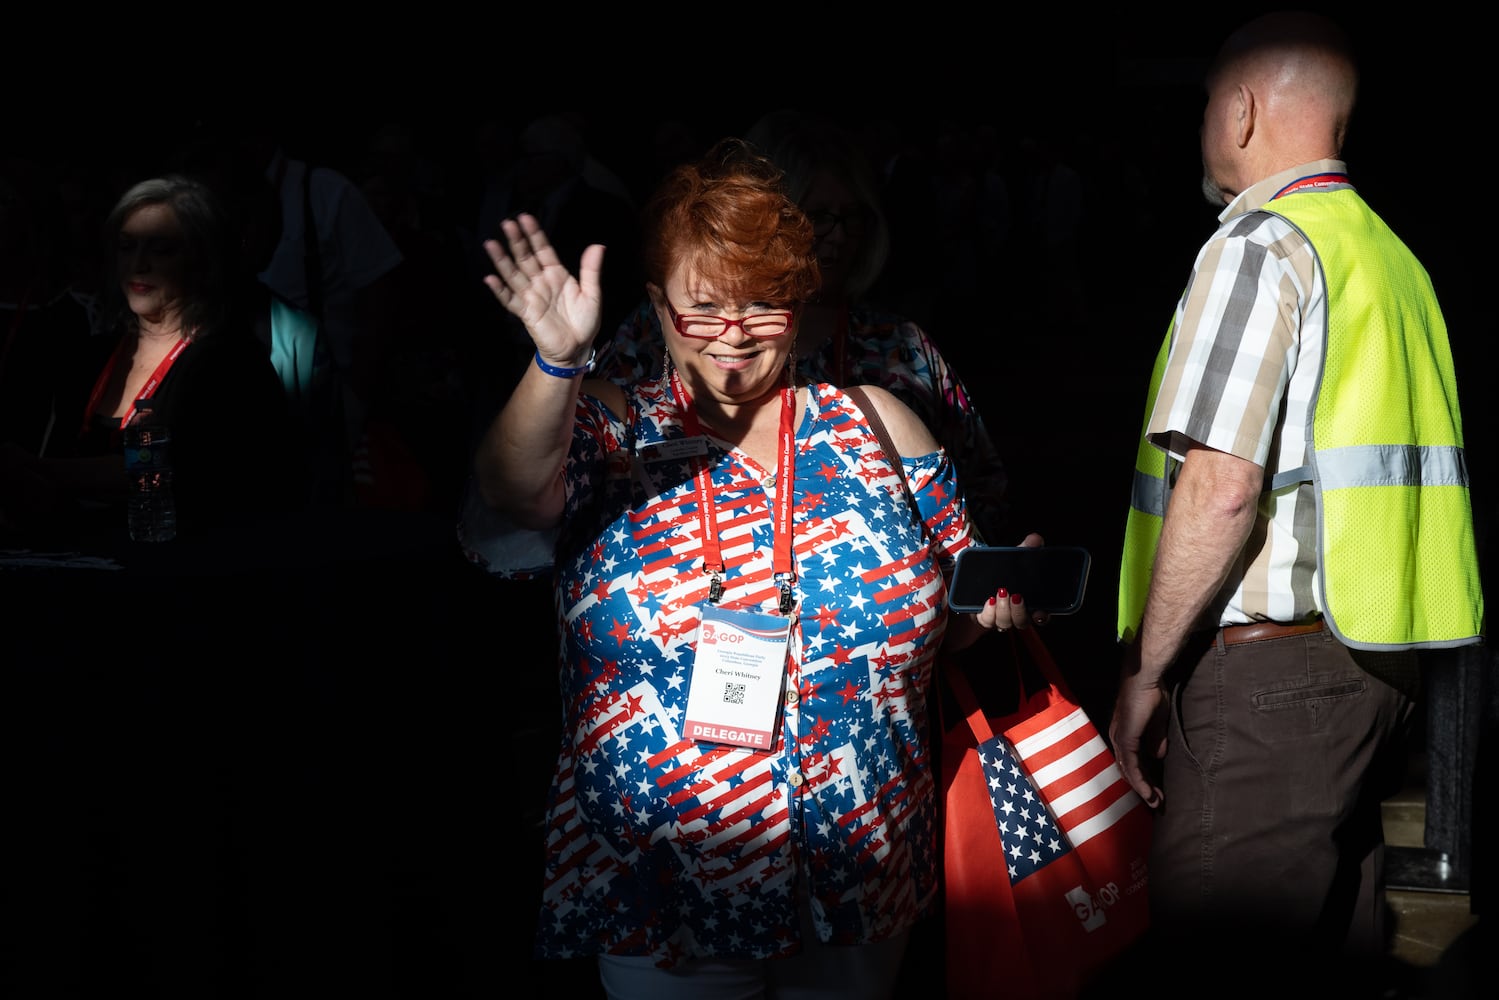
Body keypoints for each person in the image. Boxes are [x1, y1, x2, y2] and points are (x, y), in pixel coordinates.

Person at [468, 138, 1039, 998]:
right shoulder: (614, 427)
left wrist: (995, 604)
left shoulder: (877, 424)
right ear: (657, 309)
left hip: (858, 866)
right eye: (702, 309)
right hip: (664, 881)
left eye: (762, 308)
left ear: (799, 306)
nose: (731, 340)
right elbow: (511, 490)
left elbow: (955, 614)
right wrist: (557, 361)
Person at [1109, 11, 1485, 988]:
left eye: (1202, 106)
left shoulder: (1258, 246)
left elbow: (1221, 486)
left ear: (1236, 111)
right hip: (1380, 668)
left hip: (1268, 685)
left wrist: (1148, 670)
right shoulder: (1390, 258)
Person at [593, 110, 1011, 544]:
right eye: (817, 216)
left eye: (852, 217)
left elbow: (982, 482)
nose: (836, 236)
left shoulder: (900, 344)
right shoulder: (656, 329)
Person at [0, 173, 296, 543]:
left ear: (204, 259)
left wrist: (39, 470)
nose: (139, 264)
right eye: (127, 247)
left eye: (162, 249)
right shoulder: (97, 354)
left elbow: (183, 470)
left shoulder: (230, 363)